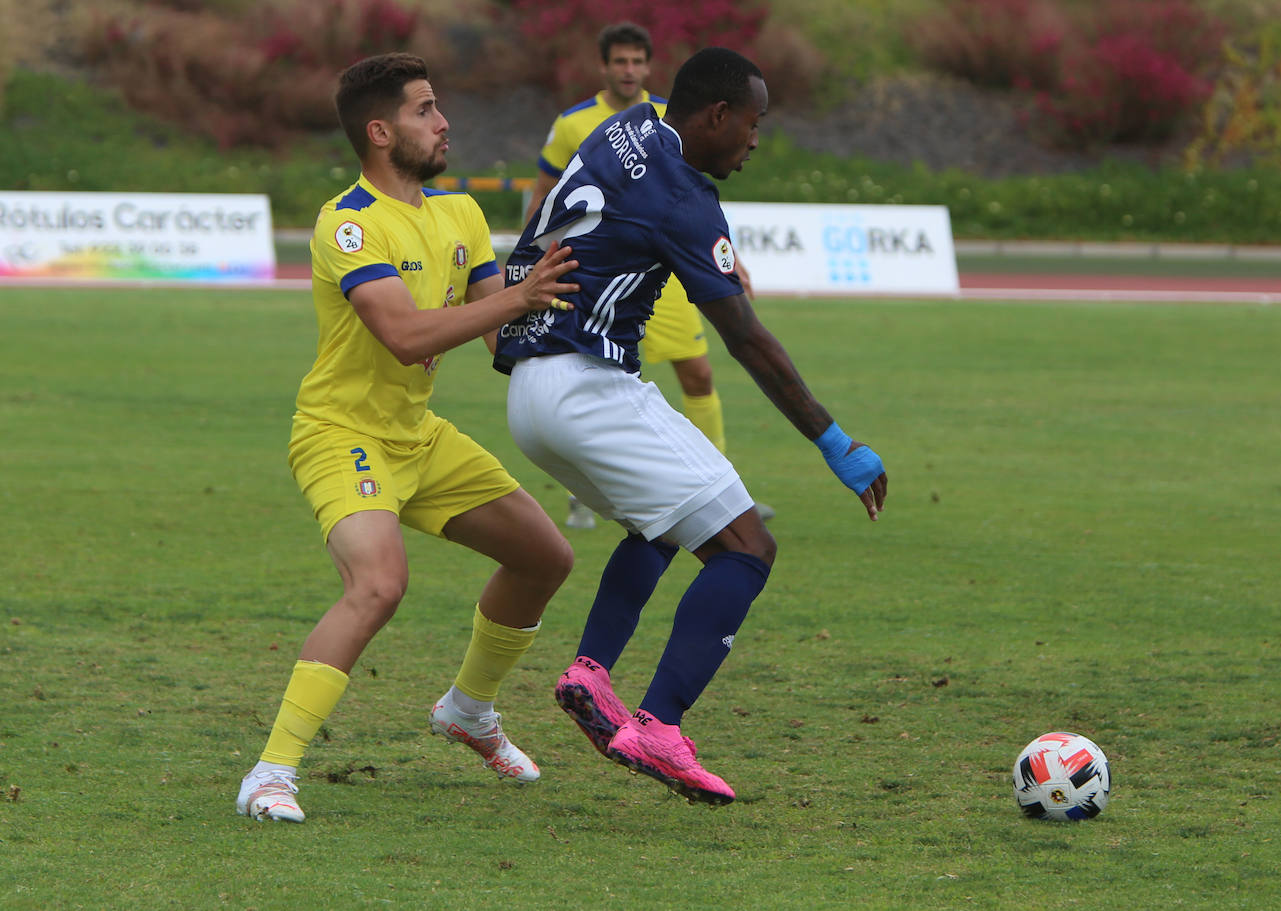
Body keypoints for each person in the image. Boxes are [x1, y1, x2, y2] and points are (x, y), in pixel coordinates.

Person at [495, 48, 887, 805]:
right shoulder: (684, 199)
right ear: (715, 116)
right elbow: (747, 338)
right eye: (753, 121)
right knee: (747, 546)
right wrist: (835, 442)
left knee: (663, 522)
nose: (756, 139)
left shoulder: (630, 128)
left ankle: (592, 671)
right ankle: (661, 724)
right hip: (586, 384)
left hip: (532, 391)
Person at [236, 52, 581, 823]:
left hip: (418, 436)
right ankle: (270, 771)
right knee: (380, 584)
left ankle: (468, 709)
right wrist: (518, 297)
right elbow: (399, 332)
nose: (445, 120)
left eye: (439, 105)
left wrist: (581, 335)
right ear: (381, 131)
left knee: (544, 556)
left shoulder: (458, 214)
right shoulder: (347, 223)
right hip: (340, 433)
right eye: (426, 109)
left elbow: (503, 340)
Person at [524, 22, 773, 530]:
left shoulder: (667, 116)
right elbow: (548, 189)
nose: (629, 70)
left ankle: (720, 481)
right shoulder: (574, 122)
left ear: (647, 65)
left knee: (697, 373)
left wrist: (733, 262)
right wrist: (532, 250)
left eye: (638, 61)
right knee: (613, 375)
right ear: (604, 66)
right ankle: (594, 488)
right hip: (597, 277)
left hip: (668, 272)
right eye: (620, 61)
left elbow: (694, 216)